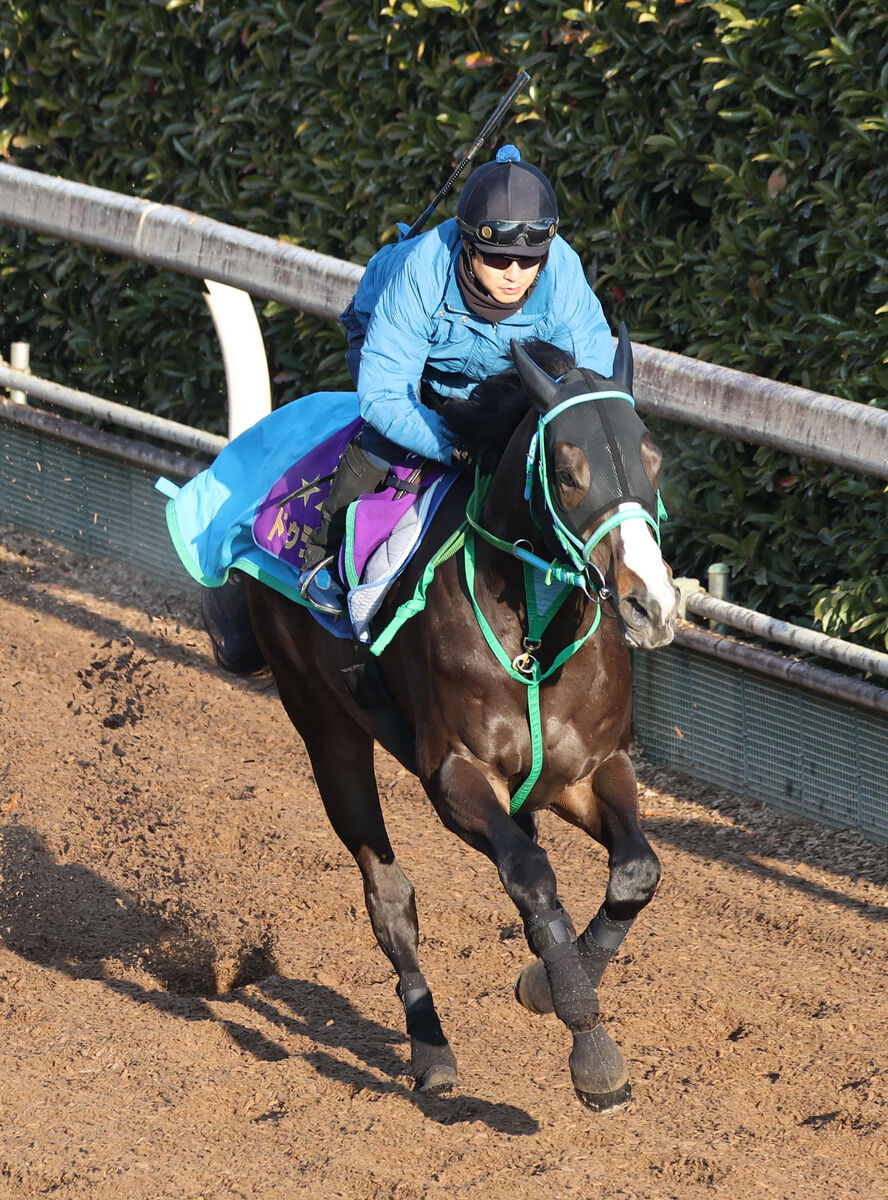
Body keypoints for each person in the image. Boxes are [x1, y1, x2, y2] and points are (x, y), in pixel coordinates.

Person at [299, 144, 615, 615]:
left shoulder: (563, 276)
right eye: (498, 258)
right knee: (382, 446)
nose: (515, 274)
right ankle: (322, 558)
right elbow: (386, 396)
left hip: (496, 379)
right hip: (405, 367)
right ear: (468, 246)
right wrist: (454, 446)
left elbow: (590, 385)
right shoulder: (420, 271)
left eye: (529, 261)